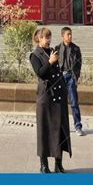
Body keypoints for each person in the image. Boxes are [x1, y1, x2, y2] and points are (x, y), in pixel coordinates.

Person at [30, 27, 72, 173]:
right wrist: (50, 61)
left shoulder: (52, 50)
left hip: (59, 95)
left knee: (60, 130)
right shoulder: (34, 55)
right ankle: (43, 165)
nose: (48, 40)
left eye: (49, 37)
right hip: (45, 97)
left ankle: (58, 164)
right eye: (46, 37)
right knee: (44, 130)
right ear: (39, 39)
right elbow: (40, 73)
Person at [56, 26, 84, 136]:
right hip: (61, 77)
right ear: (63, 36)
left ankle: (78, 126)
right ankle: (60, 127)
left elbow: (79, 64)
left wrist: (75, 77)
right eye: (68, 34)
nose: (70, 36)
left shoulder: (76, 49)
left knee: (74, 103)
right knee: (60, 104)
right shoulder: (57, 48)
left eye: (71, 34)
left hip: (71, 77)